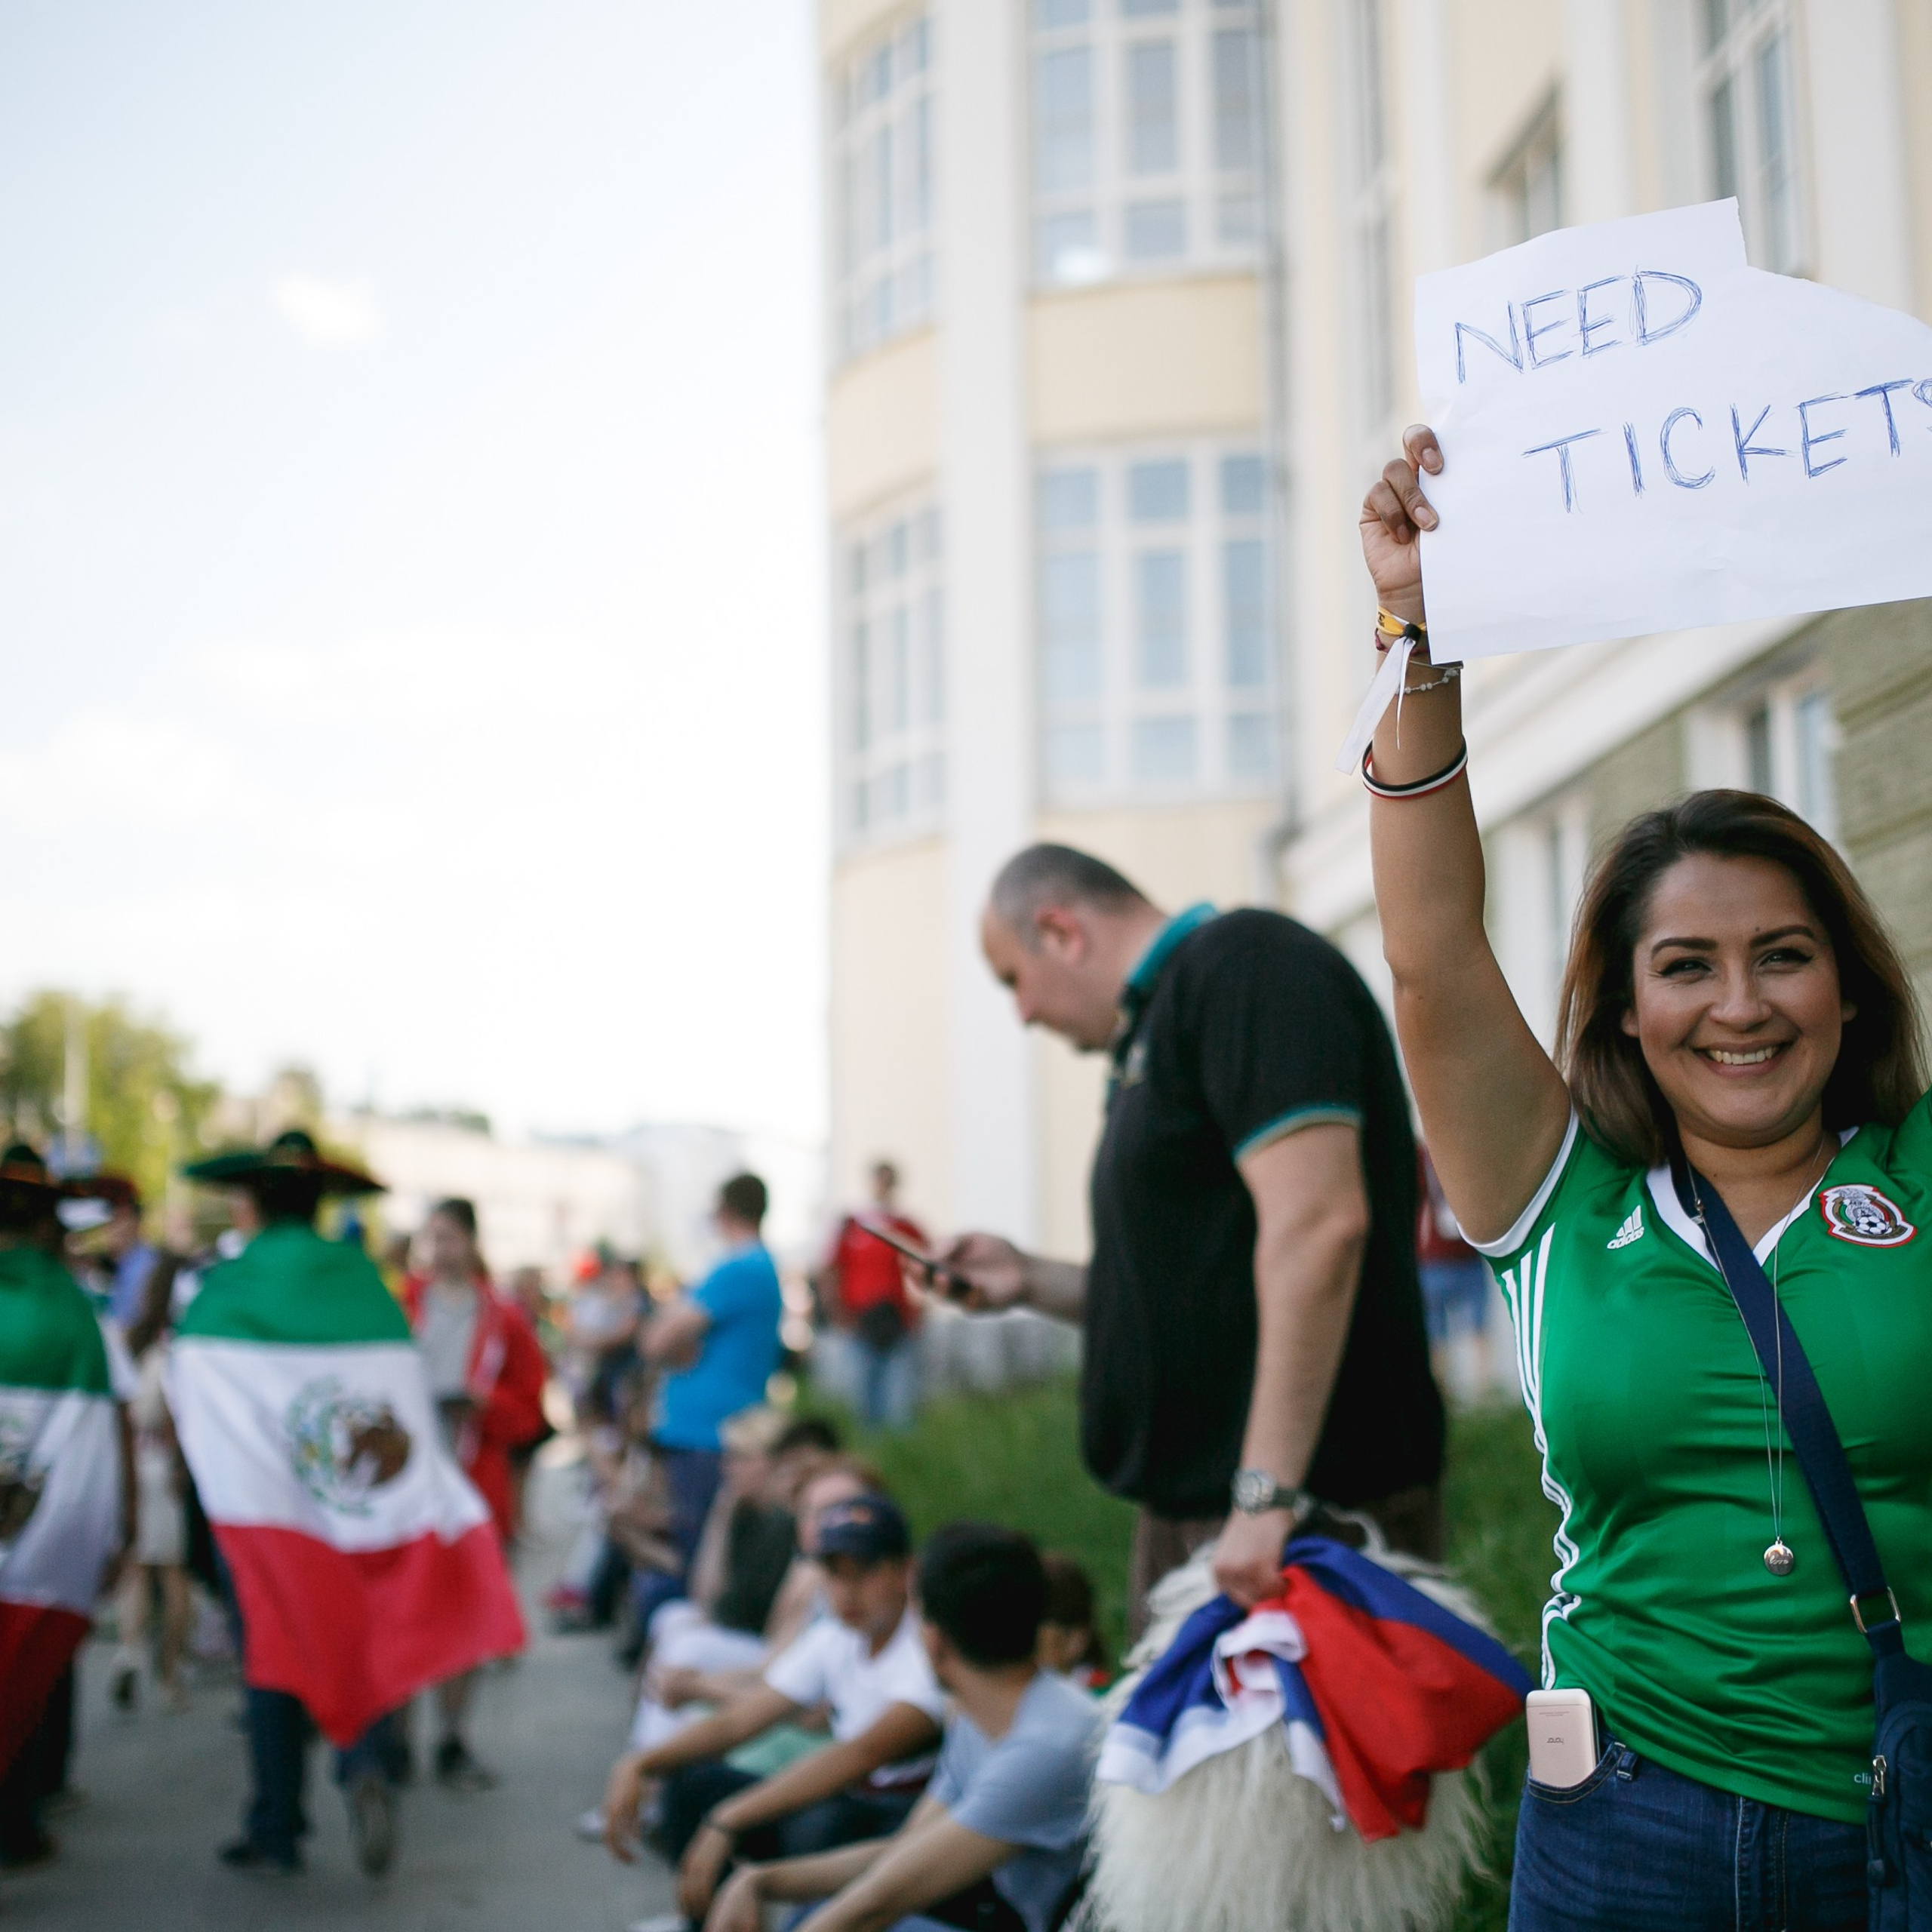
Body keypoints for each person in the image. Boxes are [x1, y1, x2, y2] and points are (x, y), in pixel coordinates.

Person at [1357, 423, 1932, 1931]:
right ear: (1623, 1002)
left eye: (1781, 955)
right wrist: (1416, 635)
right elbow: (1425, 956)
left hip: (1895, 1815)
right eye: (1684, 965)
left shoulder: (1919, 1169)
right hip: (1617, 1831)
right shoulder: (1563, 1195)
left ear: (1850, 988)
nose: (1736, 1003)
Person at [939, 845, 1445, 1631]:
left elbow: (1319, 1224)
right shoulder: (1158, 1025)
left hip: (1303, 1521)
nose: (1023, 1013)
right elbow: (1192, 1283)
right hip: (1220, 1516)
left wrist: (1265, 1493)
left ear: (1060, 930)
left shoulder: (1246, 965)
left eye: (1013, 979)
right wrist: (1031, 1280)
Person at [172, 1129, 523, 1878]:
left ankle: (275, 1822)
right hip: (344, 1506)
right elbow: (396, 1400)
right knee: (343, 1630)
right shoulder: (362, 1282)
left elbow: (191, 1385)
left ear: (251, 1200)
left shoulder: (228, 1286)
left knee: (272, 1645)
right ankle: (361, 1759)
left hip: (263, 1507)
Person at [706, 1522, 1101, 1932]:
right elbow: (904, 1853)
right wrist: (761, 1880)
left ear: (932, 1639)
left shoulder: (1045, 1749)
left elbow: (882, 1900)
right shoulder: (983, 1719)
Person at [601, 1493, 946, 1929]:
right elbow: (741, 1720)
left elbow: (858, 1755)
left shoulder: (925, 1650)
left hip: (903, 1821)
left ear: (905, 1572)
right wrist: (642, 1761)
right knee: (691, 1785)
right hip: (850, 1805)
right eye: (833, 1573)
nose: (847, 1590)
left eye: (863, 1572)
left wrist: (728, 1820)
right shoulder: (837, 1637)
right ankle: (706, 1920)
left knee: (817, 1826)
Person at [0, 1144, 124, 1870]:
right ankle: (17, 1819)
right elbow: (95, 1440)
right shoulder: (77, 1312)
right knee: (25, 1673)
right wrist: (111, 1531)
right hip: (40, 1538)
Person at [400, 1196, 547, 1789]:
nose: (438, 1249)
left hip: (472, 1482)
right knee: (408, 1614)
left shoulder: (503, 1318)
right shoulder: (403, 1305)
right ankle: (398, 1740)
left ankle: (452, 1737)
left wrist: (485, 1406)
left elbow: (530, 1409)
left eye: (448, 1237)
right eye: (430, 1238)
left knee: (462, 1618)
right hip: (407, 1481)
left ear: (471, 1240)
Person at [638, 1174, 785, 1630]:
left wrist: (672, 1338)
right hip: (711, 1429)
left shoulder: (737, 1268)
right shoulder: (755, 1267)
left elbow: (656, 1341)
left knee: (696, 1553)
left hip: (708, 1432)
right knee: (684, 1543)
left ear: (723, 1212)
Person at [109, 1272, 192, 1713]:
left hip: (132, 1461)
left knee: (136, 1570)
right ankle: (168, 1673)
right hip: (161, 1464)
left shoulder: (126, 1343)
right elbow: (178, 1415)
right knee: (173, 1575)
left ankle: (129, 1653)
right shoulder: (171, 1353)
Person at [815, 1161, 927, 1429]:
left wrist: (920, 1311)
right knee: (864, 1397)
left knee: (899, 1397)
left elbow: (928, 1266)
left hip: (898, 1319)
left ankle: (901, 1455)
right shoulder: (853, 1225)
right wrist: (837, 1312)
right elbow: (830, 1270)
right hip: (860, 1320)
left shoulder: (905, 1226)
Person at [1415, 1145, 1495, 1398]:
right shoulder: (1467, 1151)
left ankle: (1442, 1397)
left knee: (1437, 1336)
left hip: (1431, 1257)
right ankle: (1484, 1395)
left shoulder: (1420, 1155)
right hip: (1468, 1254)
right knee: (1478, 1330)